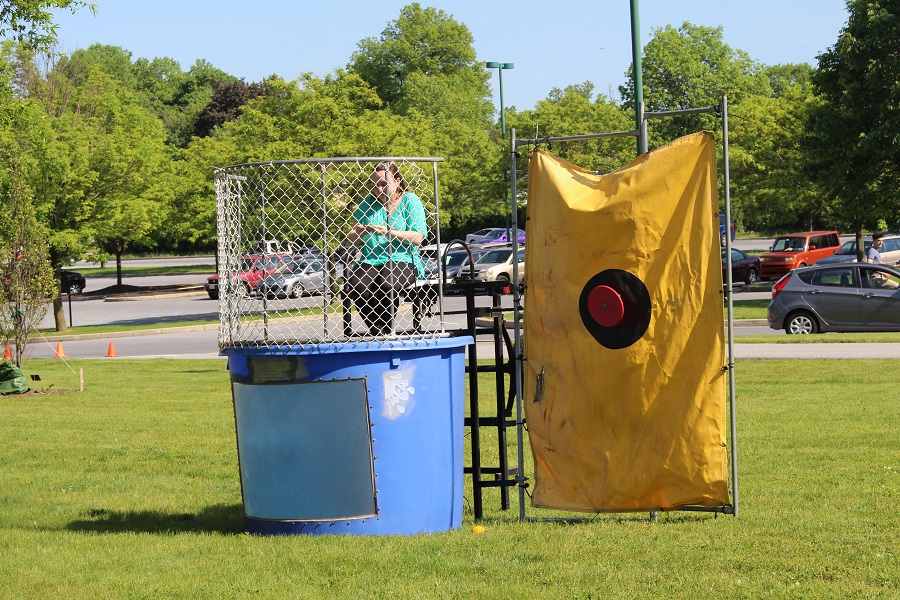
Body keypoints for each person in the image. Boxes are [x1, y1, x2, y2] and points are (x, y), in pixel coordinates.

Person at [345, 162, 428, 335]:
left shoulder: (410, 200)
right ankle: (380, 331)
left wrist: (390, 232)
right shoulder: (368, 204)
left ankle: (384, 331)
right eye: (375, 185)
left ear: (397, 181)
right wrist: (359, 231)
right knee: (356, 286)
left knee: (387, 283)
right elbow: (350, 239)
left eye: (384, 184)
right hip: (372, 258)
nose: (379, 189)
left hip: (403, 258)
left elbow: (418, 237)